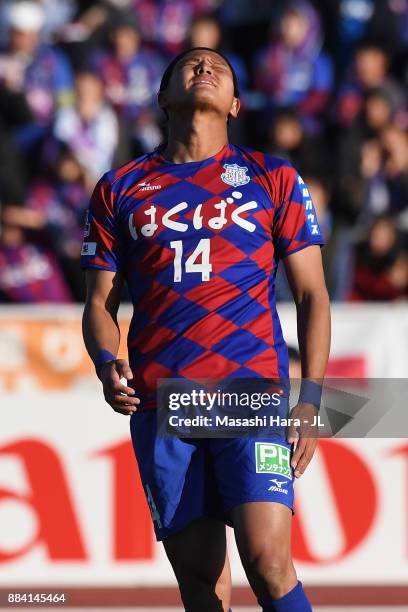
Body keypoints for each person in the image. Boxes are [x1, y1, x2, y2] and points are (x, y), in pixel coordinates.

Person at [81, 47, 331, 611]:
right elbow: (99, 303)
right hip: (163, 403)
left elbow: (314, 294)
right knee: (202, 587)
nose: (205, 67)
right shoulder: (119, 189)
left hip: (250, 395)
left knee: (268, 562)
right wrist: (105, 362)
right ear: (163, 97)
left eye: (219, 66)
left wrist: (312, 399)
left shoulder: (274, 177)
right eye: (190, 64)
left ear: (237, 104)